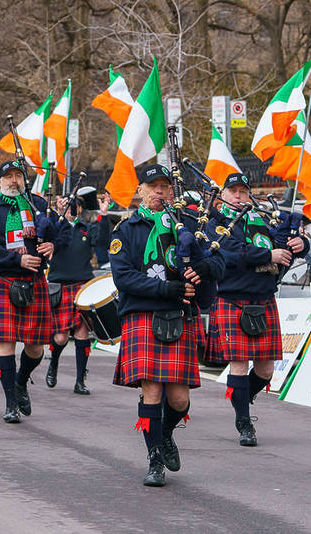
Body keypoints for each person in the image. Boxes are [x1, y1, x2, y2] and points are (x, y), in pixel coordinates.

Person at [110, 163, 224, 487]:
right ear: (141, 191)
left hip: (180, 316)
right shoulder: (126, 230)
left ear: (171, 191)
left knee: (178, 401)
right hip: (143, 315)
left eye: (165, 187)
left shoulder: (189, 223)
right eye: (153, 187)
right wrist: (167, 288)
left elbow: (220, 261)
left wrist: (198, 266)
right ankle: (154, 459)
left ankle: (166, 433)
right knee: (152, 390)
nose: (159, 192)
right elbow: (125, 278)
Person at [208, 173, 309, 447]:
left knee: (265, 370)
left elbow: (279, 247)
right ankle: (244, 421)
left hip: (263, 299)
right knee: (239, 365)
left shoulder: (259, 220)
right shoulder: (216, 222)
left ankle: (243, 396)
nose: (239, 196)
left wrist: (300, 245)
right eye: (233, 191)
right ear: (224, 194)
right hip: (233, 299)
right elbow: (228, 253)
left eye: (243, 190)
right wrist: (267, 256)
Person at [0, 160, 66, 423]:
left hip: (33, 280)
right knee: (6, 343)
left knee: (36, 347)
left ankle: (20, 382)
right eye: (8, 176)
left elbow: (62, 234)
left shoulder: (38, 205)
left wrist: (52, 244)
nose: (14, 180)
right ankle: (10, 403)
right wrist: (17, 260)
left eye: (18, 175)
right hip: (1, 279)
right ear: (0, 181)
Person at [45, 195, 112, 394]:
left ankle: (80, 380)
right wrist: (58, 214)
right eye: (67, 206)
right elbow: (46, 238)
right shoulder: (55, 227)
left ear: (81, 209)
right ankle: (53, 363)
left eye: (74, 206)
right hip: (60, 285)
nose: (71, 209)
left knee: (83, 334)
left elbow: (102, 241)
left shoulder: (86, 228)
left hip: (83, 287)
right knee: (60, 338)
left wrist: (103, 214)